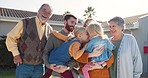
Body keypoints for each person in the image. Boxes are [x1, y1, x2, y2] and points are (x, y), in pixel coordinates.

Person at [5, 4, 53, 78]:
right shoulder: (25, 22)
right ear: (38, 11)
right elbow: (11, 37)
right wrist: (16, 54)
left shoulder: (49, 29)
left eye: (49, 13)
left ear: (50, 16)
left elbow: (51, 46)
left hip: (39, 67)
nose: (46, 14)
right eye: (44, 10)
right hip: (24, 66)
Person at [42, 14, 78, 78]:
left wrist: (67, 67)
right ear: (65, 22)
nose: (74, 25)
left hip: (68, 73)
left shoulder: (74, 41)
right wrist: (49, 65)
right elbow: (46, 52)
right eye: (72, 22)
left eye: (75, 23)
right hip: (54, 74)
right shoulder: (54, 36)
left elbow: (75, 59)